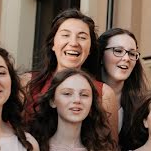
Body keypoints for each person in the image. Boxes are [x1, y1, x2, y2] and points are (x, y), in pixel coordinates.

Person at [24, 9, 118, 137]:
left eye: (82, 37)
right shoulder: (28, 83)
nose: (74, 43)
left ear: (90, 48)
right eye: (65, 35)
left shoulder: (104, 93)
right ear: (52, 44)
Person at [99, 28, 149, 149]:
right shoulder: (84, 96)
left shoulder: (142, 104)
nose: (126, 58)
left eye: (132, 54)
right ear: (100, 55)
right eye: (118, 51)